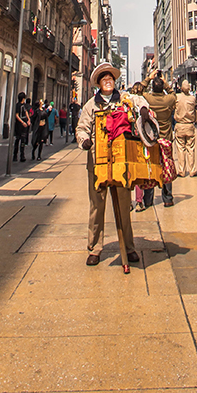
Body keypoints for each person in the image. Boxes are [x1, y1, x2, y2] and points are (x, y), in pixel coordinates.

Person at [76, 61, 141, 267]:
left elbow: (139, 104)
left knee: (124, 205)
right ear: (98, 83)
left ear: (114, 81)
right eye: (104, 78)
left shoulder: (124, 100)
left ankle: (128, 247)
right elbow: (81, 128)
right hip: (97, 161)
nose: (108, 81)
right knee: (97, 205)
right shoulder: (90, 105)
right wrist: (84, 140)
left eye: (110, 78)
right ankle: (94, 248)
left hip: (121, 160)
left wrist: (143, 111)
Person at [142, 72, 177, 207]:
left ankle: (148, 199)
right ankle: (168, 198)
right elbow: (173, 94)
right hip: (166, 139)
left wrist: (148, 78)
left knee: (151, 167)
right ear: (162, 87)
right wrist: (166, 82)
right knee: (166, 166)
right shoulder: (168, 100)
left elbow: (138, 91)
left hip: (152, 140)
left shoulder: (148, 99)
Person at [174, 80, 197, 177]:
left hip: (180, 125)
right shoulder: (193, 99)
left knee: (180, 148)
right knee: (190, 148)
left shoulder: (177, 97)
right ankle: (192, 170)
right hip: (190, 125)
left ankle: (181, 171)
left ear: (181, 88)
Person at [13, 92, 30, 163]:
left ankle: (22, 155)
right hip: (19, 125)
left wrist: (28, 120)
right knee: (17, 139)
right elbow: (17, 115)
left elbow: (26, 112)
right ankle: (15, 155)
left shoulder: (24, 105)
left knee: (23, 140)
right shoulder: (18, 105)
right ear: (23, 99)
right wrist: (22, 122)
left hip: (24, 125)